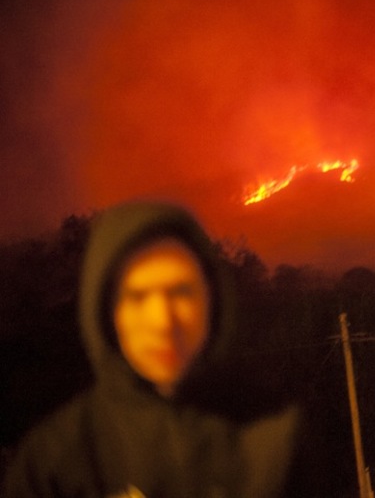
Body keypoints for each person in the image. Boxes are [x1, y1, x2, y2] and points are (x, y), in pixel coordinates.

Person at [3, 201, 317, 497]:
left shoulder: (275, 438)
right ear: (105, 311)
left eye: (181, 292)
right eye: (138, 296)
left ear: (213, 300)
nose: (163, 321)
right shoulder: (53, 462)